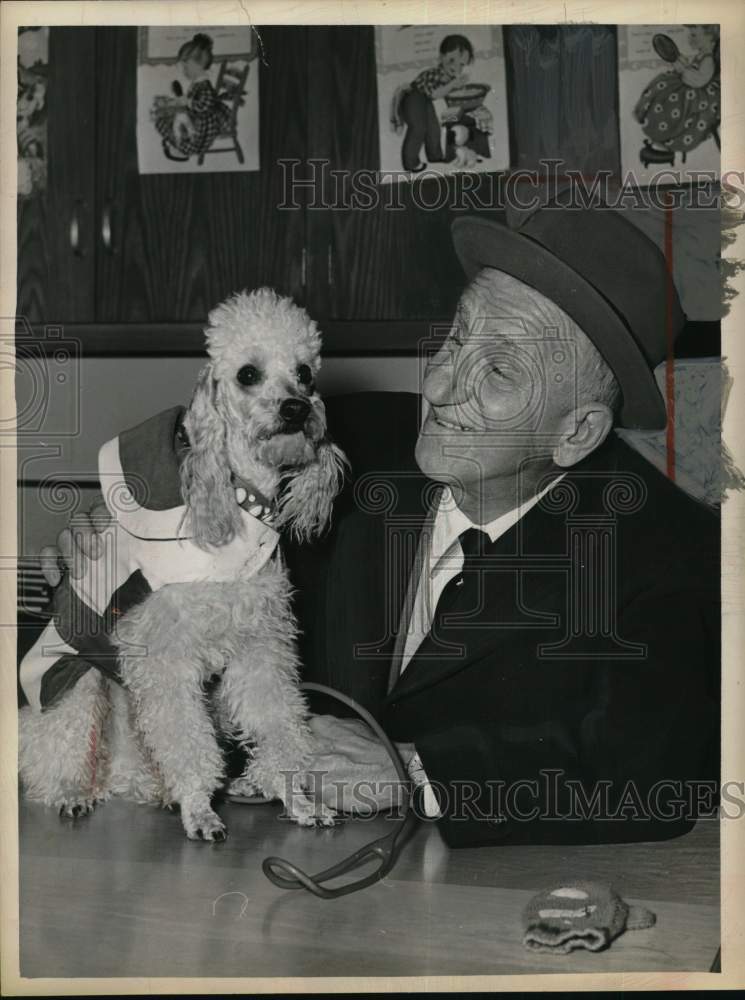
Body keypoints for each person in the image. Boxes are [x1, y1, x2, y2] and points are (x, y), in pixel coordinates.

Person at [38, 204, 720, 849]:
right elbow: (184, 478)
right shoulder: (339, 443)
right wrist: (117, 541)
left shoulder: (672, 558)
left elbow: (651, 781)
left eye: (501, 369)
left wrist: (415, 774)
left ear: (576, 432)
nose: (442, 384)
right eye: (456, 336)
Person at [634, 24, 720, 166]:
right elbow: (693, 69)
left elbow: (699, 81)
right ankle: (657, 130)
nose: (689, 38)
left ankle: (666, 136)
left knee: (673, 103)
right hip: (689, 84)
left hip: (698, 93)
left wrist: (683, 69)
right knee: (663, 86)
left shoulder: (708, 60)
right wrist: (682, 62)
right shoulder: (702, 55)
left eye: (694, 35)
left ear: (710, 38)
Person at [399, 34, 475, 172]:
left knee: (433, 128)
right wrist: (453, 84)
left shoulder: (450, 76)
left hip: (424, 100)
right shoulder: (435, 73)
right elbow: (435, 93)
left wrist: (458, 85)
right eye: (451, 60)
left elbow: (447, 93)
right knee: (419, 128)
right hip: (413, 98)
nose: (455, 67)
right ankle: (410, 163)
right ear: (441, 57)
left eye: (461, 64)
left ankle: (435, 156)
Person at [151, 32, 231, 162]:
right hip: (195, 121)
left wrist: (186, 101)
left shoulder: (205, 86)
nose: (183, 70)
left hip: (201, 130)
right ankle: (177, 142)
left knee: (164, 122)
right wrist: (179, 101)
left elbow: (203, 105)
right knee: (166, 117)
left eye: (185, 66)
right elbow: (191, 102)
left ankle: (181, 146)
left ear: (197, 66)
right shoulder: (198, 83)